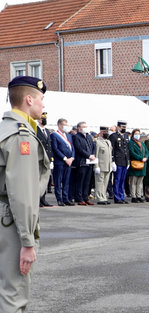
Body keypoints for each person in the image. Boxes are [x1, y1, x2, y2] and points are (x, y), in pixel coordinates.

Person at [0, 77, 50, 312]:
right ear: (29, 99)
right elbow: (23, 195)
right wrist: (28, 242)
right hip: (9, 220)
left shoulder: (3, 129)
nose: (43, 105)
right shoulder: (22, 136)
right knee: (14, 294)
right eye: (41, 99)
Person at [50, 118, 75, 206]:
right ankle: (59, 199)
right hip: (60, 161)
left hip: (69, 162)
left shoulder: (68, 135)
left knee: (66, 181)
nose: (66, 127)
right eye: (64, 125)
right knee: (58, 181)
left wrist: (72, 158)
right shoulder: (54, 135)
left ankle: (65, 198)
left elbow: (72, 148)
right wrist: (65, 158)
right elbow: (55, 149)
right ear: (59, 125)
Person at [70, 121, 95, 205]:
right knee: (80, 181)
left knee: (87, 181)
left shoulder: (88, 136)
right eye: (84, 127)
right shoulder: (76, 137)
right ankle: (79, 198)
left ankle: (85, 197)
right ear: (79, 128)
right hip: (81, 162)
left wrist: (93, 155)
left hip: (90, 162)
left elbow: (93, 146)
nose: (86, 128)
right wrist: (88, 155)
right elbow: (79, 149)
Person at [108, 121, 129, 204]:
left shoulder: (126, 135)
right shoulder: (113, 136)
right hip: (118, 161)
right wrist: (113, 161)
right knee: (117, 179)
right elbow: (112, 149)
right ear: (118, 127)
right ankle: (117, 197)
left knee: (122, 180)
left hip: (124, 161)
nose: (123, 128)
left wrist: (128, 160)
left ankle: (122, 196)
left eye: (124, 127)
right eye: (122, 127)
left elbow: (127, 149)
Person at [37, 112, 54, 207]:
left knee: (44, 180)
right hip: (39, 158)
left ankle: (43, 199)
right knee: (38, 179)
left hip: (47, 158)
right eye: (42, 118)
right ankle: (37, 199)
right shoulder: (35, 129)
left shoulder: (47, 131)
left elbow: (49, 145)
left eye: (45, 118)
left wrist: (51, 158)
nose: (44, 120)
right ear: (39, 120)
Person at [93, 126, 114, 205]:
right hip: (101, 165)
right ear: (101, 132)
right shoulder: (97, 142)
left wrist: (111, 164)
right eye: (105, 132)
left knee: (105, 182)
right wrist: (96, 166)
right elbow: (96, 154)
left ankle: (104, 196)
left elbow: (110, 154)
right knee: (99, 182)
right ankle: (100, 198)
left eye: (107, 132)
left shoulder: (108, 142)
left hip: (108, 165)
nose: (106, 133)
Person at [127, 129, 148, 203]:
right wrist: (140, 158)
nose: (137, 135)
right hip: (135, 164)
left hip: (142, 164)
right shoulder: (131, 143)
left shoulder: (142, 143)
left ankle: (139, 195)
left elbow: (146, 151)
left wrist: (146, 157)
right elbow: (132, 152)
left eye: (138, 133)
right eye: (136, 133)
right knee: (134, 181)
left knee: (140, 182)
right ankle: (134, 196)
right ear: (133, 134)